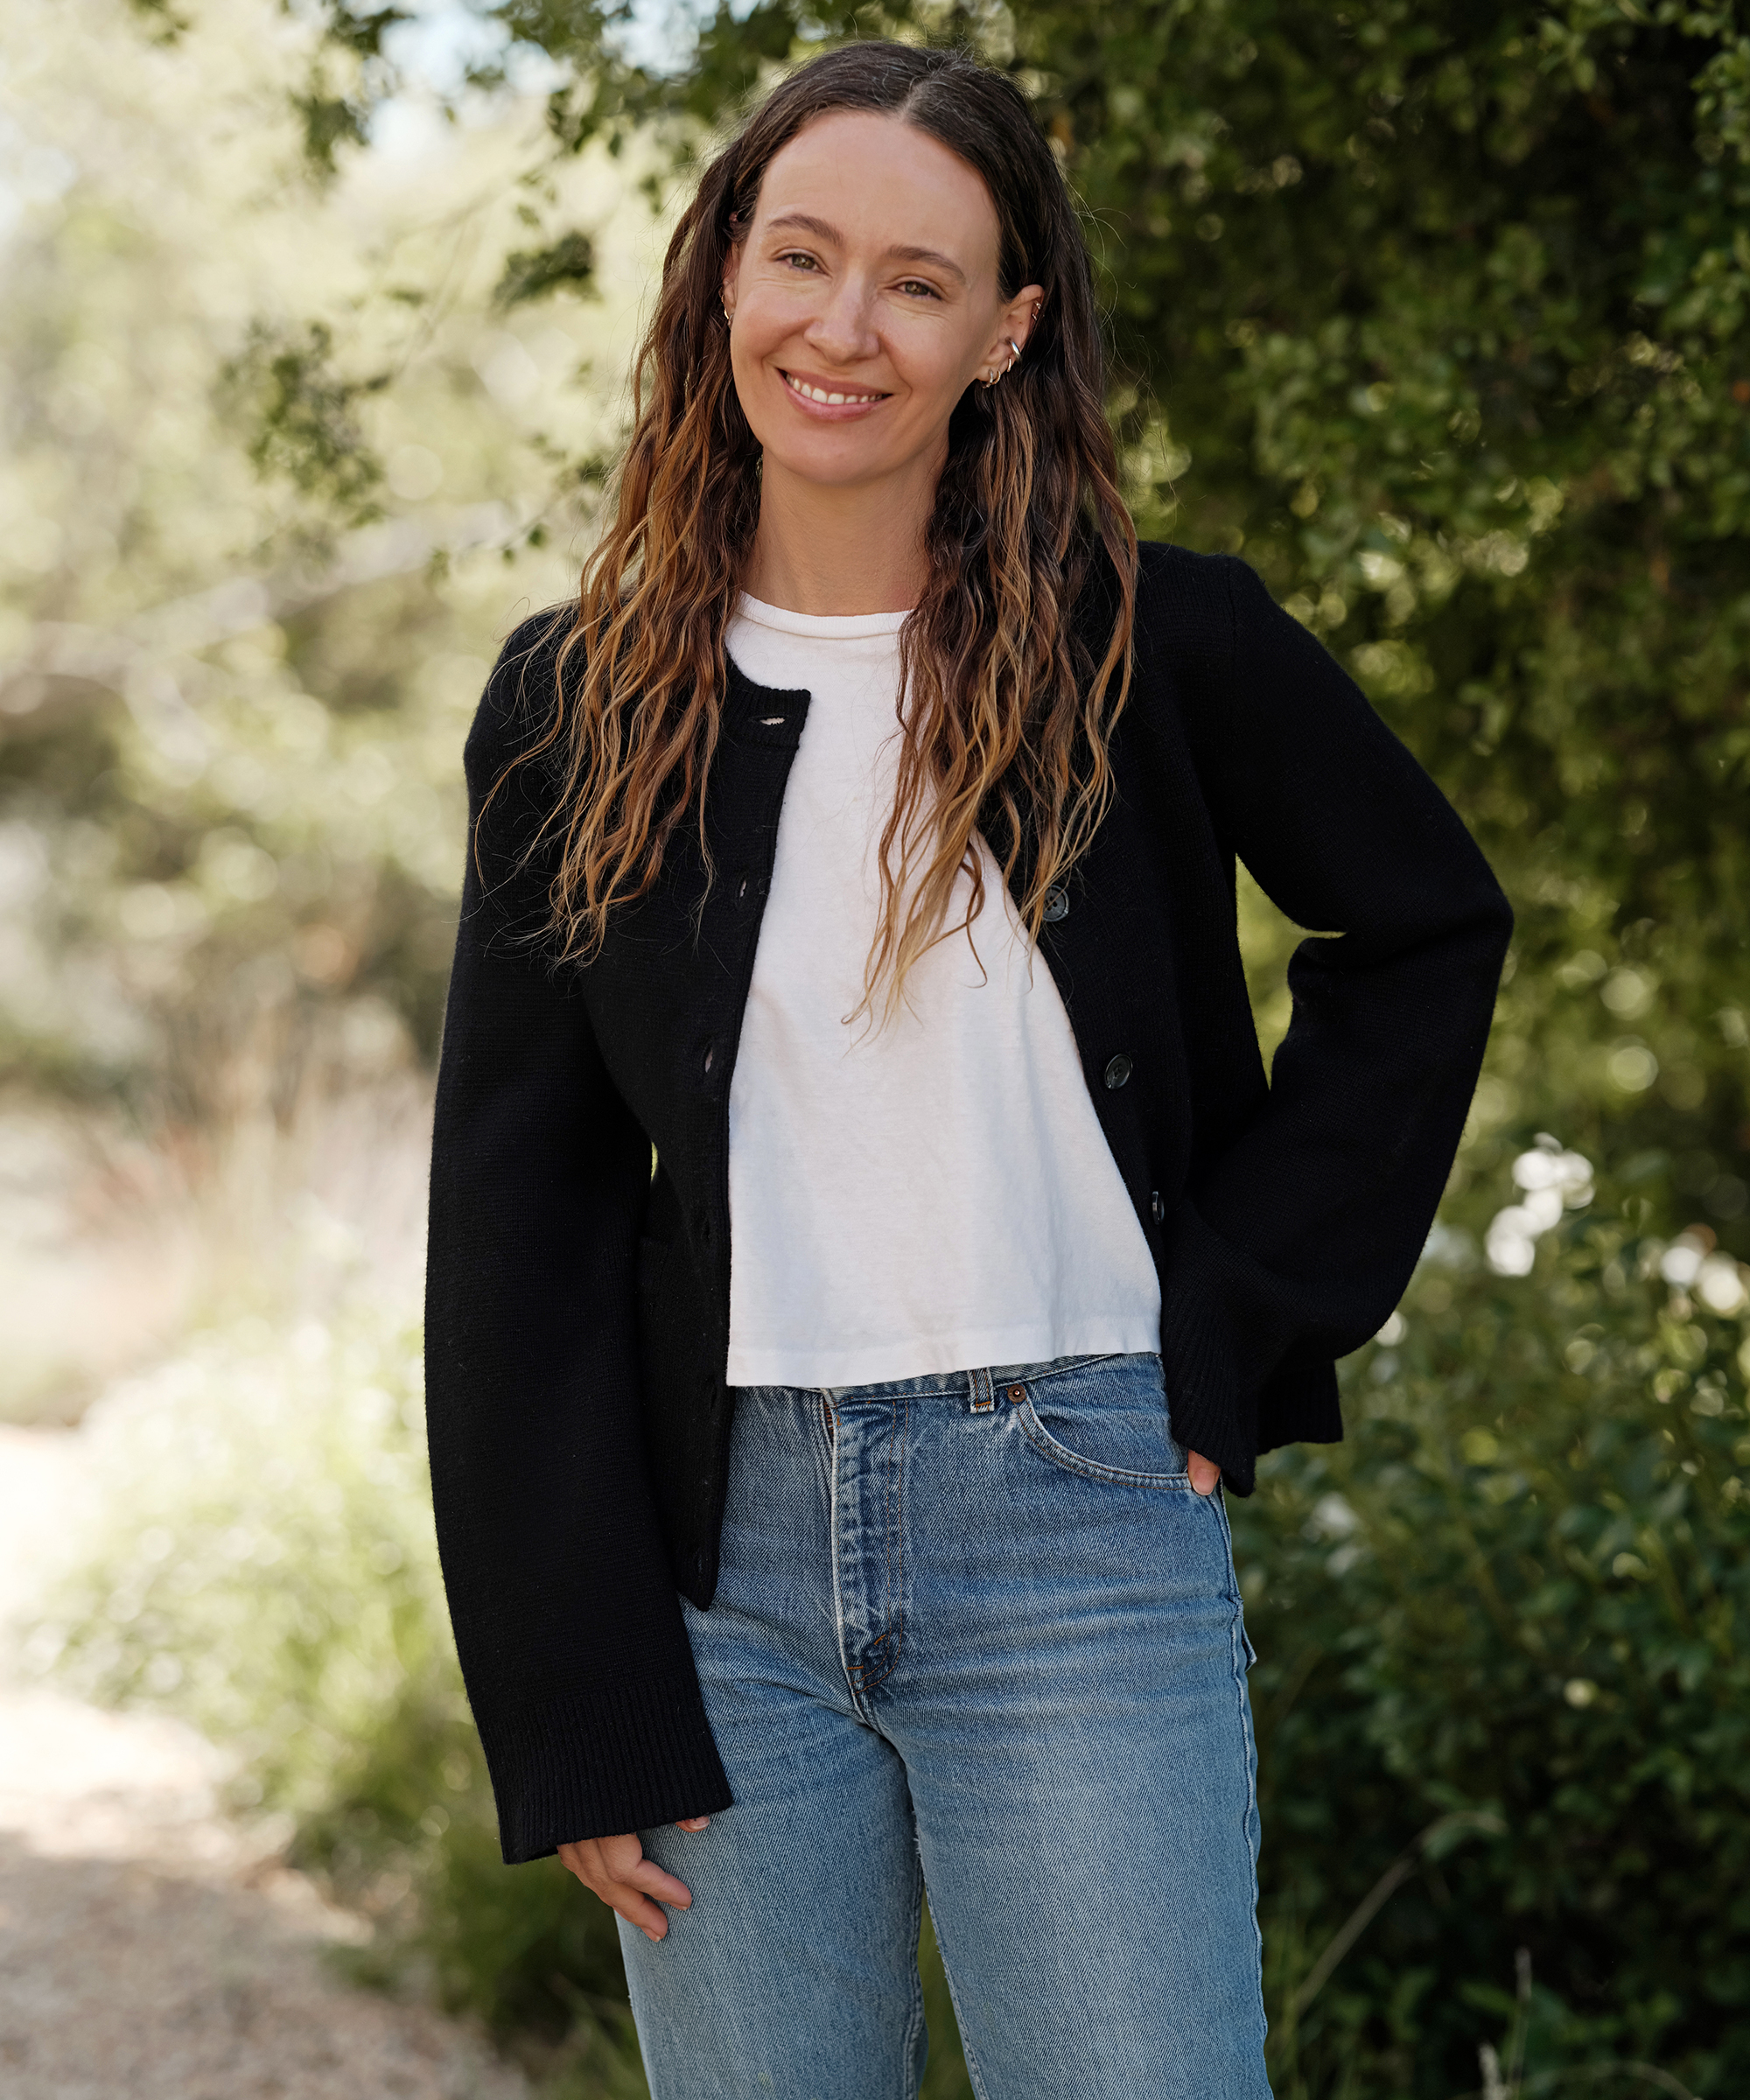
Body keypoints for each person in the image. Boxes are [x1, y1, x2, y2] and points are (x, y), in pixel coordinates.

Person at [424, 38, 1512, 2100]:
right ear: (719, 277)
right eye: (801, 256)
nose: (845, 328)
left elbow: (1425, 933)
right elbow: (521, 1217)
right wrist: (569, 1690)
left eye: (917, 283)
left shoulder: (1148, 644)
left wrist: (1239, 1321)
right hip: (712, 1576)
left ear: (1004, 333)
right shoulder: (577, 703)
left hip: (1078, 1527)